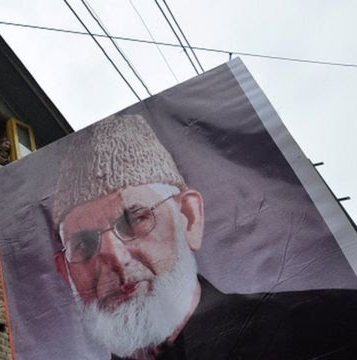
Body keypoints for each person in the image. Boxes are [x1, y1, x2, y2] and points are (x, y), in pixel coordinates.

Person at [51, 113, 357, 359]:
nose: (115, 260)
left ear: (189, 217)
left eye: (135, 219)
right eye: (84, 244)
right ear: (66, 273)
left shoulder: (329, 325)